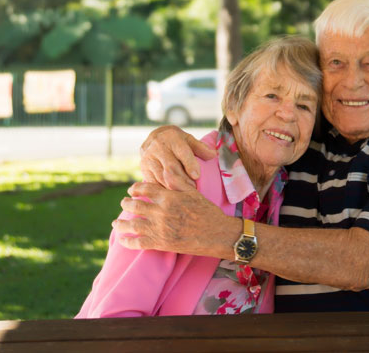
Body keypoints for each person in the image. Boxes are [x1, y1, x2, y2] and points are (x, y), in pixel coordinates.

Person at [114, 0, 369, 311]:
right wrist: (162, 137)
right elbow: (246, 127)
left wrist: (222, 234)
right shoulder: (302, 136)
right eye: (336, 63)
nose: (351, 81)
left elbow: (362, 261)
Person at [77, 36, 322, 317]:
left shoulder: (285, 189)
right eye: (272, 96)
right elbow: (114, 317)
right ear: (233, 106)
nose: (288, 113)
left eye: (304, 106)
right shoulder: (180, 176)